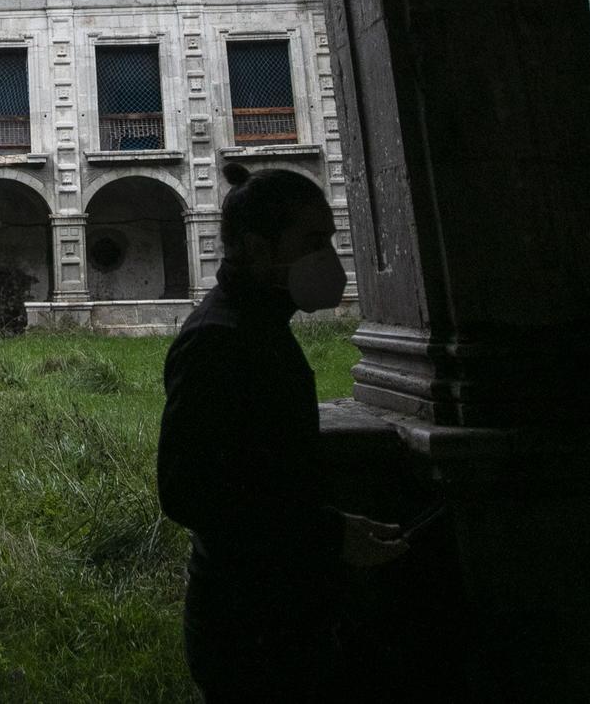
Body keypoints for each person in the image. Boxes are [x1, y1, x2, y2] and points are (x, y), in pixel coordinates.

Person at [157, 162, 406, 699]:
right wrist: (329, 534)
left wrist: (331, 524)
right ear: (257, 246)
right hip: (248, 624)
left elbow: (262, 469)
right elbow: (189, 493)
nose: (328, 258)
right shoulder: (218, 341)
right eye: (313, 241)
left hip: (273, 609)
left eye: (329, 240)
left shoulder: (257, 324)